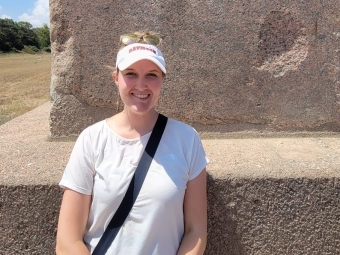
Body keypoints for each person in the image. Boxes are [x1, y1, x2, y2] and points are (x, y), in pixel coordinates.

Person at [56, 31, 209, 255]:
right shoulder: (91, 139)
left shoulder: (187, 139)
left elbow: (195, 231)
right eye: (130, 74)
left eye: (151, 75)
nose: (141, 85)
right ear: (115, 78)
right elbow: (67, 241)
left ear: (162, 80)